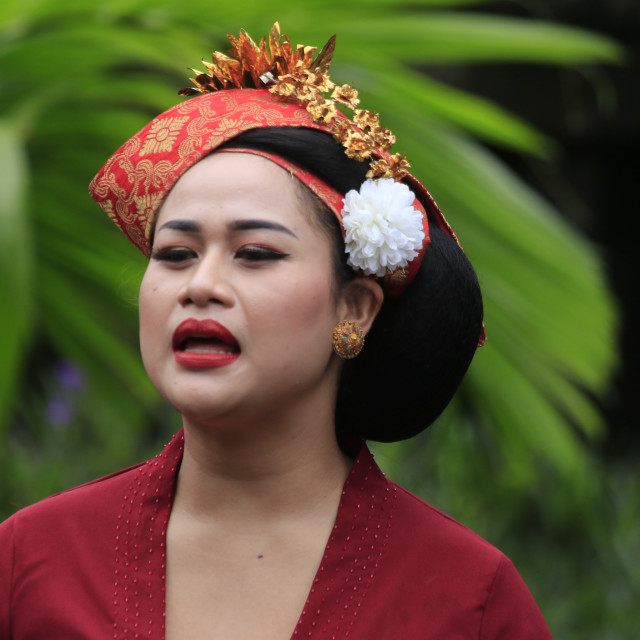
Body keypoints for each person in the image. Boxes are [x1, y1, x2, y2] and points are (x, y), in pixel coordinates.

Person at [0, 23, 553, 639]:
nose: (200, 284)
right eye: (176, 254)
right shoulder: (31, 561)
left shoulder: (468, 600)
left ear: (356, 309)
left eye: (256, 253)